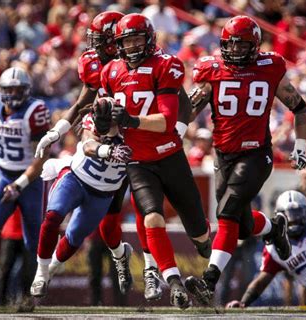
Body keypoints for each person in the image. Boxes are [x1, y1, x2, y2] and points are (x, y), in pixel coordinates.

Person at [34, 11, 193, 299]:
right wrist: (58, 131)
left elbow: (183, 104)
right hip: (109, 141)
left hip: (143, 141)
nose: (94, 47)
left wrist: (176, 130)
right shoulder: (100, 66)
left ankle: (149, 270)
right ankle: (120, 255)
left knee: (147, 209)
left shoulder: (154, 61)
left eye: (99, 40)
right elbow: (84, 103)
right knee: (108, 226)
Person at [184, 15, 306, 306]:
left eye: (242, 46)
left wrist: (301, 145)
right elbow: (188, 113)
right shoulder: (211, 69)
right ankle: (272, 228)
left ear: (255, 46)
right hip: (223, 154)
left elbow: (300, 108)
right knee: (238, 225)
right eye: (231, 45)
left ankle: (208, 282)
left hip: (256, 153)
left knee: (226, 215)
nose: (236, 51)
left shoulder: (270, 67)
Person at [98, 13, 211, 309]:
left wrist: (130, 120)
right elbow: (109, 124)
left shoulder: (166, 65)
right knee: (151, 217)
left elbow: (166, 121)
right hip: (139, 161)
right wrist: (101, 126)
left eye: (137, 39)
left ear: (148, 39)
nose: (133, 46)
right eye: (127, 40)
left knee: (200, 235)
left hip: (170, 155)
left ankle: (208, 265)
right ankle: (173, 283)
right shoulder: (110, 72)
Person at [30, 102, 132, 298]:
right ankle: (40, 274)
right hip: (75, 178)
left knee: (74, 237)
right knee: (53, 217)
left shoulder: (133, 131)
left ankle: (50, 270)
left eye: (107, 121)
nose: (101, 126)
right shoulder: (91, 121)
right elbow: (88, 145)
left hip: (102, 194)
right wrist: (109, 151)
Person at [0, 66, 50, 303]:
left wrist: (20, 184)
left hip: (30, 179)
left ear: (27, 91)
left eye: (19, 90)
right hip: (4, 172)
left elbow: (42, 157)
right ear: (1, 90)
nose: (14, 94)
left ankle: (31, 293)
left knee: (32, 237)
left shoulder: (34, 111)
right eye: (10, 89)